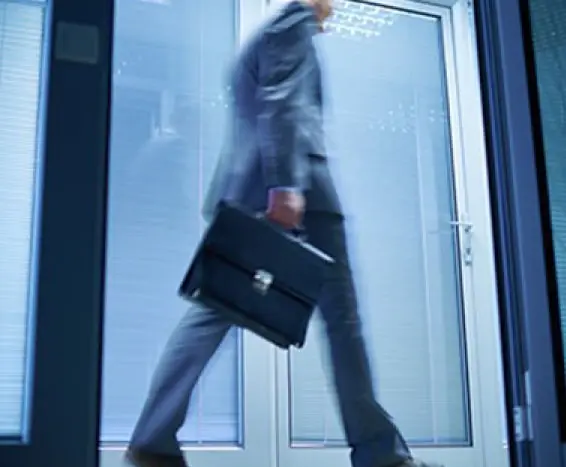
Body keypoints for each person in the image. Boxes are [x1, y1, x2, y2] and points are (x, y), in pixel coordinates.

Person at [125, 1, 444, 467]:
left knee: (214, 309)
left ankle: (150, 444)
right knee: (342, 325)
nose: (332, 9)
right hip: (303, 198)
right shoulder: (291, 23)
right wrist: (286, 186)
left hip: (260, 194)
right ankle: (382, 456)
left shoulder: (272, 34)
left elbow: (260, 116)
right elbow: (284, 103)